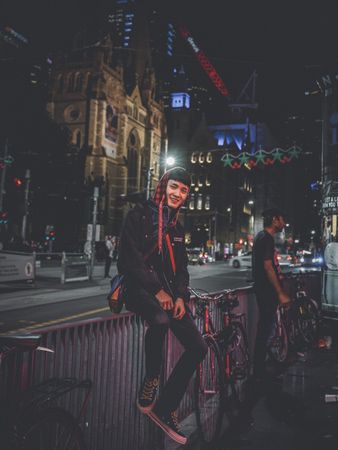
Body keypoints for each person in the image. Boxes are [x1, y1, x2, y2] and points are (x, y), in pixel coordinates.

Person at [117, 167, 207, 445]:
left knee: (199, 347)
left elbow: (181, 269)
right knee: (159, 321)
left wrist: (180, 296)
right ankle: (151, 380)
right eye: (174, 187)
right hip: (138, 289)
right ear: (163, 185)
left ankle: (164, 408)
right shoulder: (139, 216)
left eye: (184, 191)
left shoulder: (177, 227)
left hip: (168, 295)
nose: (178, 194)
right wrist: (157, 290)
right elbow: (129, 260)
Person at [252, 207, 291, 380]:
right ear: (275, 219)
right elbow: (268, 266)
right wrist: (280, 292)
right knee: (264, 330)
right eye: (282, 219)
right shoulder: (266, 238)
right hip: (266, 290)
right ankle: (259, 370)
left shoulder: (263, 237)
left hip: (264, 289)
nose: (284, 223)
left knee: (266, 328)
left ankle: (260, 367)